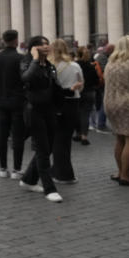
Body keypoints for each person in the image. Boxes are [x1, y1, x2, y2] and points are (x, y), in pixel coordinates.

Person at [18, 36, 63, 202]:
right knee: (43, 150)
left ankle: (28, 179)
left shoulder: (49, 65)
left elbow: (54, 85)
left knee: (48, 147)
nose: (47, 46)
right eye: (42, 44)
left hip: (49, 110)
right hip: (33, 110)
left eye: (47, 43)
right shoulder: (27, 63)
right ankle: (49, 188)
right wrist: (35, 60)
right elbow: (26, 78)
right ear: (34, 48)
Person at [0, 30, 26, 179]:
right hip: (17, 101)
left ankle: (3, 168)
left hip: (1, 101)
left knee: (2, 136)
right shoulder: (20, 58)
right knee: (17, 136)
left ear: (3, 40)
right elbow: (25, 79)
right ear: (16, 40)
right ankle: (17, 169)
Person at [104, 35, 129, 185]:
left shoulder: (111, 63)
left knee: (119, 138)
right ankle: (126, 176)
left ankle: (120, 171)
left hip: (111, 103)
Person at [50, 39, 82, 183]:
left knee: (57, 139)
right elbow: (81, 85)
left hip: (55, 104)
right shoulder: (74, 65)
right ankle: (63, 172)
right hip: (72, 103)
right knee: (65, 139)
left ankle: (60, 172)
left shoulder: (50, 66)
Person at [75, 47, 101, 146]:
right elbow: (97, 80)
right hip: (89, 92)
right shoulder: (91, 66)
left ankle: (78, 133)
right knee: (85, 114)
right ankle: (84, 136)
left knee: (77, 113)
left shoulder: (76, 65)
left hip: (78, 91)